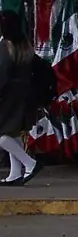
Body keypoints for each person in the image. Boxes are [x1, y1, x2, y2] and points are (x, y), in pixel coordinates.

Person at [0, 13, 41, 186]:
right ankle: (15, 174)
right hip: (24, 93)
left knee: (2, 134)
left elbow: (2, 73)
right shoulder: (24, 45)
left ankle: (30, 163)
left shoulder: (5, 46)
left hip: (8, 94)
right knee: (13, 132)